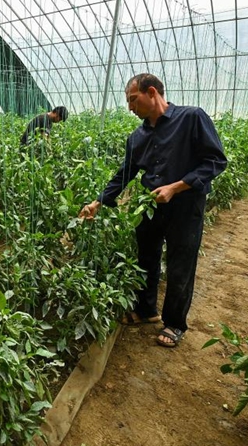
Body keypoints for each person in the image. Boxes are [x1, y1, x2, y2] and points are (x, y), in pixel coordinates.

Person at [78, 73, 227, 348]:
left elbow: (215, 161)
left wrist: (177, 187)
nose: (130, 107)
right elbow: (125, 174)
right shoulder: (137, 136)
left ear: (151, 93)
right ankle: (147, 310)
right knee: (146, 258)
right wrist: (98, 202)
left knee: (181, 263)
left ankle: (174, 323)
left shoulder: (192, 118)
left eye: (133, 100)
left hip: (186, 205)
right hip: (150, 206)